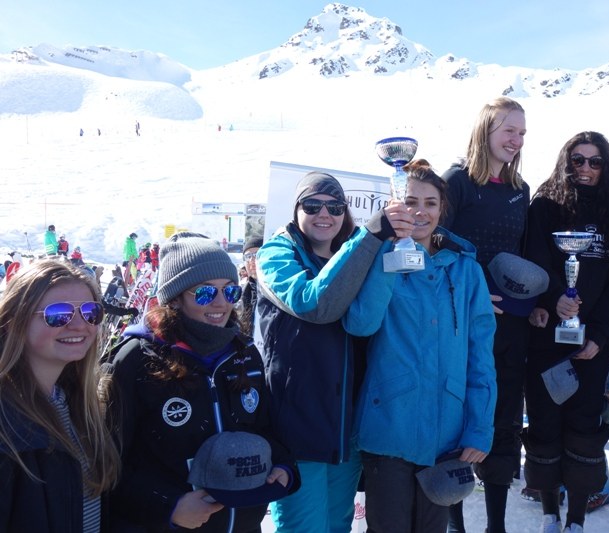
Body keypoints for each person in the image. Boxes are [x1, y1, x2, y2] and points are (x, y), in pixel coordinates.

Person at [102, 233, 300, 532]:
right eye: (205, 293)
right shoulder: (136, 358)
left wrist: (282, 466)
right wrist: (169, 506)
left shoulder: (244, 353)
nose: (221, 303)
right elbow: (107, 463)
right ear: (175, 298)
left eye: (230, 291)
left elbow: (264, 428)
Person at [342, 160, 498, 531]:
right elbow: (361, 324)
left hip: (447, 432)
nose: (420, 212)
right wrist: (387, 260)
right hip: (389, 425)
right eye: (411, 202)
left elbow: (480, 357)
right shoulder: (377, 257)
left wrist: (479, 428)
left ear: (442, 209)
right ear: (395, 205)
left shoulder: (466, 270)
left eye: (430, 203)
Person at [255, 171, 414, 532]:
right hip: (297, 429)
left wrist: (387, 249)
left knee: (338, 527)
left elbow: (367, 322)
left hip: (345, 428)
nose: (324, 214)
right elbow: (313, 303)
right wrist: (370, 236)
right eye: (312, 206)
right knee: (302, 528)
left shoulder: (358, 252)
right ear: (296, 210)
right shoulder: (276, 253)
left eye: (335, 206)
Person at [523, 131, 609, 533]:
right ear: (565, 162)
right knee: (544, 426)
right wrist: (554, 297)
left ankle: (575, 518)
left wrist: (601, 335)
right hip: (546, 338)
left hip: (592, 344)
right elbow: (536, 258)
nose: (585, 168)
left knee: (584, 431)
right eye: (577, 160)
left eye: (595, 161)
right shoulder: (545, 205)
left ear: (607, 166)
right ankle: (549, 514)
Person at [440, 96, 530, 533]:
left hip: (507, 325)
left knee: (503, 420)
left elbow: (521, 255)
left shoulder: (519, 189)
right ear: (486, 131)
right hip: (460, 321)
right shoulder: (455, 181)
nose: (516, 140)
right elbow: (435, 242)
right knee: (459, 418)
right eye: (509, 130)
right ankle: (455, 523)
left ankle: (497, 525)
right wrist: (470, 294)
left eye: (522, 133)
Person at [0, 260, 120, 532]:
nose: (79, 325)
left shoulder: (79, 405)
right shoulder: (7, 421)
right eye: (58, 314)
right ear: (14, 321)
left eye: (90, 312)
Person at [240, 236, 263, 337]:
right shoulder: (241, 294)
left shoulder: (279, 291)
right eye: (248, 256)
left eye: (257, 255)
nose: (252, 260)